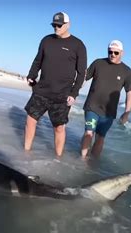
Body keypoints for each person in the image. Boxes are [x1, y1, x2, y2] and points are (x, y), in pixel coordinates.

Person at [24, 12, 87, 156]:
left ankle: (57, 159)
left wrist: (74, 93)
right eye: (54, 25)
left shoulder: (78, 45)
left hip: (62, 95)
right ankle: (25, 153)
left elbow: (81, 72)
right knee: (30, 120)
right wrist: (31, 75)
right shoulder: (47, 40)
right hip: (42, 90)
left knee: (59, 128)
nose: (56, 27)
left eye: (59, 25)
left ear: (68, 25)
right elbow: (37, 60)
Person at [81, 40, 131, 158]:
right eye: (110, 52)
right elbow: (84, 78)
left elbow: (130, 92)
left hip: (109, 112)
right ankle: (82, 161)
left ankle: (93, 163)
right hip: (92, 106)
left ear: (122, 53)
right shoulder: (98, 63)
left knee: (100, 137)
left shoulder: (126, 71)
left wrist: (127, 112)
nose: (112, 55)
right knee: (89, 133)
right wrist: (73, 92)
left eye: (116, 53)